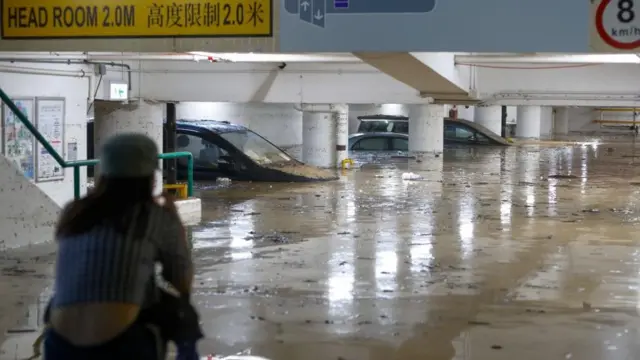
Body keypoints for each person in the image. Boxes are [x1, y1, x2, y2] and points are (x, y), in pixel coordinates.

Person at [42, 133, 201, 360]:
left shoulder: (76, 211)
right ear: (151, 176)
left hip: (58, 340)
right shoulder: (153, 215)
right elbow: (181, 280)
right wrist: (174, 218)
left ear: (103, 171)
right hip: (121, 344)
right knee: (182, 312)